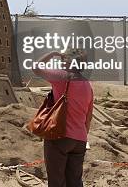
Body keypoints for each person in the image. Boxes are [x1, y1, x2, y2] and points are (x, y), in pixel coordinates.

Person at [32, 49, 94, 187]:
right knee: (75, 182)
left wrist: (52, 53)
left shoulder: (61, 77)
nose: (60, 62)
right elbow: (88, 117)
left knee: (56, 181)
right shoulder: (88, 85)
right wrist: (82, 137)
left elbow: (35, 67)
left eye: (63, 59)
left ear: (68, 61)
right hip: (79, 140)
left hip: (59, 136)